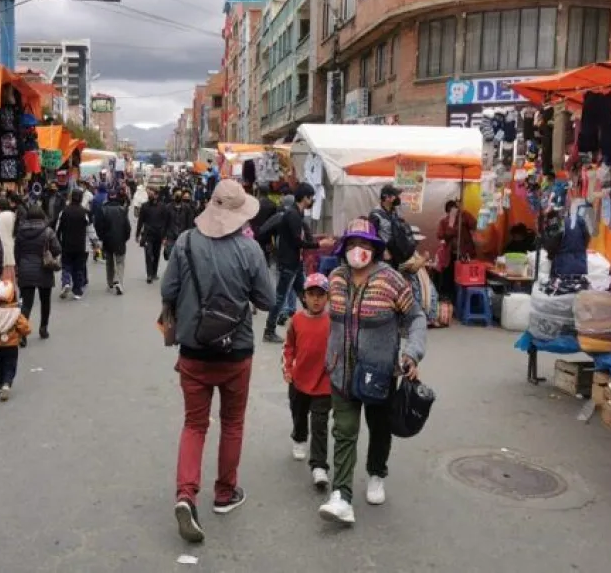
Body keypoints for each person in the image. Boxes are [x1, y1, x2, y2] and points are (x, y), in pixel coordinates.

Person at [161, 179, 275, 543]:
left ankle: (185, 494)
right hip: (236, 351)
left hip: (193, 350)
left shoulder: (185, 243)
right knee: (232, 423)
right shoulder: (250, 250)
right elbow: (268, 299)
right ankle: (225, 493)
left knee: (195, 424)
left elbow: (168, 291)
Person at [319, 217, 427, 525]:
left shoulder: (391, 280)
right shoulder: (336, 278)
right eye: (352, 244)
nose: (358, 250)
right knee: (343, 431)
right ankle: (341, 495)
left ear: (375, 248)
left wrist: (411, 353)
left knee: (379, 428)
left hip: (379, 374)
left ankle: (377, 472)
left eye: (364, 244)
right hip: (341, 371)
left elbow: (416, 318)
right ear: (344, 248)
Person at [282, 272, 333, 489]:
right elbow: (289, 346)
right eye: (312, 294)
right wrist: (288, 367)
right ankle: (299, 437)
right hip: (299, 380)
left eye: (321, 295)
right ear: (304, 296)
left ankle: (319, 466)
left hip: (324, 383)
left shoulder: (333, 322)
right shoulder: (296, 320)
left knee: (320, 424)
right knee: (299, 413)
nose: (316, 299)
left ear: (328, 298)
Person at [263, 183, 331, 344]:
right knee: (280, 298)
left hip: (295, 263)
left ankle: (314, 324)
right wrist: (319, 245)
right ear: (305, 197)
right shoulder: (293, 215)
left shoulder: (297, 214)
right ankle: (269, 330)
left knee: (304, 293)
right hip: (288, 262)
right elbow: (297, 242)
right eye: (311, 197)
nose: (313, 200)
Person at [15, 205, 61, 344]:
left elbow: (17, 252)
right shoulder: (48, 232)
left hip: (25, 269)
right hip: (44, 269)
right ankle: (43, 328)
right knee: (45, 301)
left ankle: (22, 333)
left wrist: (20, 265)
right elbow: (57, 249)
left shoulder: (20, 232)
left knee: (26, 303)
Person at [0, 279, 31, 401]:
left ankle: (0, 384)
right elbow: (25, 327)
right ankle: (7, 383)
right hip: (11, 344)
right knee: (10, 364)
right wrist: (24, 333)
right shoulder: (15, 312)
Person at [435, 200, 477, 301]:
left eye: (454, 210)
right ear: (447, 212)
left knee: (465, 278)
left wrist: (463, 213)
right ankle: (450, 300)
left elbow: (474, 224)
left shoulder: (464, 217)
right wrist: (451, 226)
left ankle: (464, 299)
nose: (453, 212)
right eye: (450, 211)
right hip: (450, 255)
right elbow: (440, 235)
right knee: (449, 278)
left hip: (465, 254)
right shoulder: (444, 221)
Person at [369, 184, 417, 270]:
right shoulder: (375, 215)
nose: (397, 198)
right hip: (384, 255)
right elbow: (372, 236)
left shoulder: (394, 211)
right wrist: (383, 250)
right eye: (395, 195)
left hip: (395, 252)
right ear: (386, 197)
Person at [95, 188, 131, 295]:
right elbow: (127, 227)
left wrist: (102, 237)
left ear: (108, 198)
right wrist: (125, 238)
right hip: (120, 240)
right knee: (120, 262)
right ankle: (118, 281)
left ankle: (110, 282)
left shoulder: (103, 209)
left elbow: (98, 226)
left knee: (109, 262)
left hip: (108, 240)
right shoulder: (122, 209)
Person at [56, 189, 90, 299]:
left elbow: (58, 228)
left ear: (71, 198)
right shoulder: (84, 212)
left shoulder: (64, 211)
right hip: (80, 245)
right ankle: (77, 291)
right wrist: (95, 242)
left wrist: (57, 240)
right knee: (78, 268)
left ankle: (66, 282)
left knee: (66, 265)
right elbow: (90, 228)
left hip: (66, 244)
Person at [136, 186, 171, 283]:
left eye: (151, 193)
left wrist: (165, 236)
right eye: (148, 193)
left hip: (158, 235)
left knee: (156, 254)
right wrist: (137, 234)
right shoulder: (144, 206)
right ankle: (149, 275)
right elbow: (140, 221)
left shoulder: (162, 207)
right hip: (147, 235)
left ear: (156, 195)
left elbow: (166, 222)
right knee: (148, 254)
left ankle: (154, 272)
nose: (149, 195)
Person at [164, 188, 196, 260]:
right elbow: (165, 223)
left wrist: (189, 237)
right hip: (171, 238)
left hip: (182, 237)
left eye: (179, 195)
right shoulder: (168, 208)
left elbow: (189, 224)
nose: (178, 196)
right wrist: (164, 238)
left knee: (182, 259)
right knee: (171, 259)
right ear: (173, 196)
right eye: (176, 195)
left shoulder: (187, 208)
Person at [0, 198, 18, 282]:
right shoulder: (13, 215)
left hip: (1, 249)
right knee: (11, 277)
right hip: (11, 248)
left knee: (4, 280)